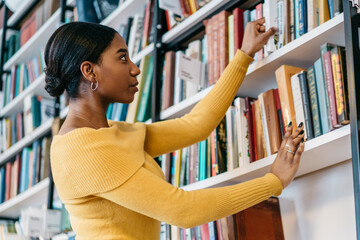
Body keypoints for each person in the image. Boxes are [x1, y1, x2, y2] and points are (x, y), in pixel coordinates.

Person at [45, 17, 305, 239]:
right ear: (90, 71)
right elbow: (183, 211)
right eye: (122, 58)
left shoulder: (111, 132)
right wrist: (274, 182)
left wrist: (244, 55)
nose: (135, 69)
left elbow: (196, 126)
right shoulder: (81, 150)